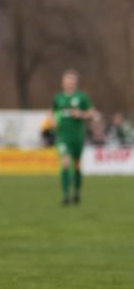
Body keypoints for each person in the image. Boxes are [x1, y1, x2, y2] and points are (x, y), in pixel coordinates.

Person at [52, 69, 96, 205]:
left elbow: (92, 113)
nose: (69, 83)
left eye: (71, 81)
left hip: (77, 136)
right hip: (63, 136)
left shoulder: (82, 97)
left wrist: (81, 114)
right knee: (65, 163)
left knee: (76, 165)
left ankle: (77, 192)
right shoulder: (58, 98)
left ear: (75, 83)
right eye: (67, 81)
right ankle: (66, 195)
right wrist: (53, 121)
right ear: (63, 83)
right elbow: (52, 111)